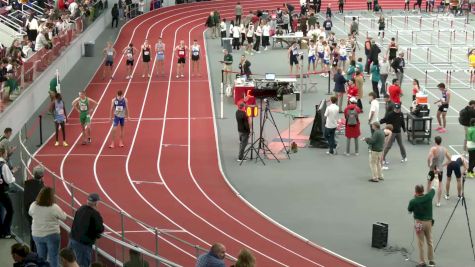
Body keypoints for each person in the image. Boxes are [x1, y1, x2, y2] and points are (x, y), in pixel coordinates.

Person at [29, 187, 67, 267]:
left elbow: (30, 213)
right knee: (54, 257)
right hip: (52, 235)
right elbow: (64, 217)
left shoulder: (33, 205)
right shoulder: (54, 207)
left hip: (37, 234)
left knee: (41, 258)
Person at [69, 193, 104, 267]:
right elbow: (100, 229)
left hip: (73, 239)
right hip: (83, 244)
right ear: (96, 203)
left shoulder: (81, 208)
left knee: (70, 262)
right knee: (82, 264)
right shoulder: (95, 214)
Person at [408, 184, 436, 267]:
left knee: (420, 242)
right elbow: (433, 189)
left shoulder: (413, 201)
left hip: (418, 223)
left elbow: (409, 210)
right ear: (423, 191)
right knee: (430, 241)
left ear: (415, 191)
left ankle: (422, 261)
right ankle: (431, 261)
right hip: (428, 222)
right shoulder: (428, 197)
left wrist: (415, 198)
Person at [24, 165, 45, 252]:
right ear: (42, 175)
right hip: (37, 216)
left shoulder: (27, 184)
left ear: (33, 174)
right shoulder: (41, 188)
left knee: (33, 234)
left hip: (28, 213)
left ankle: (33, 252)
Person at [427, 136, 451, 207]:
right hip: (440, 169)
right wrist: (442, 165)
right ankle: (438, 202)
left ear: (435, 141)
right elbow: (450, 159)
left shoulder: (433, 148)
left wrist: (429, 164)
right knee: (440, 184)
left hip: (432, 169)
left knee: (429, 183)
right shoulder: (444, 149)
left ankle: (428, 200)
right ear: (440, 141)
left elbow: (428, 158)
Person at [0, 147, 17, 239]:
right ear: (3, 154)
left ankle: (1, 231)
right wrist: (13, 177)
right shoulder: (4, 165)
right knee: (10, 211)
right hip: (2, 192)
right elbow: (9, 179)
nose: (6, 154)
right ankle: (6, 232)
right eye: (6, 153)